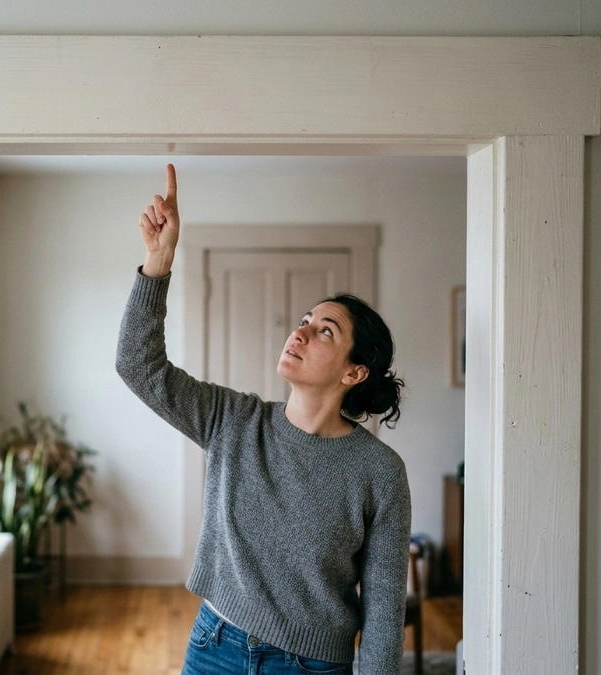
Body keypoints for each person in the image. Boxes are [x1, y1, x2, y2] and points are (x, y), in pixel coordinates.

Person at [116, 164, 412, 675]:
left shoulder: (379, 471)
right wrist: (158, 262)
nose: (299, 333)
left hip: (313, 666)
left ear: (355, 371)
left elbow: (384, 609)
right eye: (303, 322)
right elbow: (138, 366)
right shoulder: (234, 420)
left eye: (325, 332)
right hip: (214, 647)